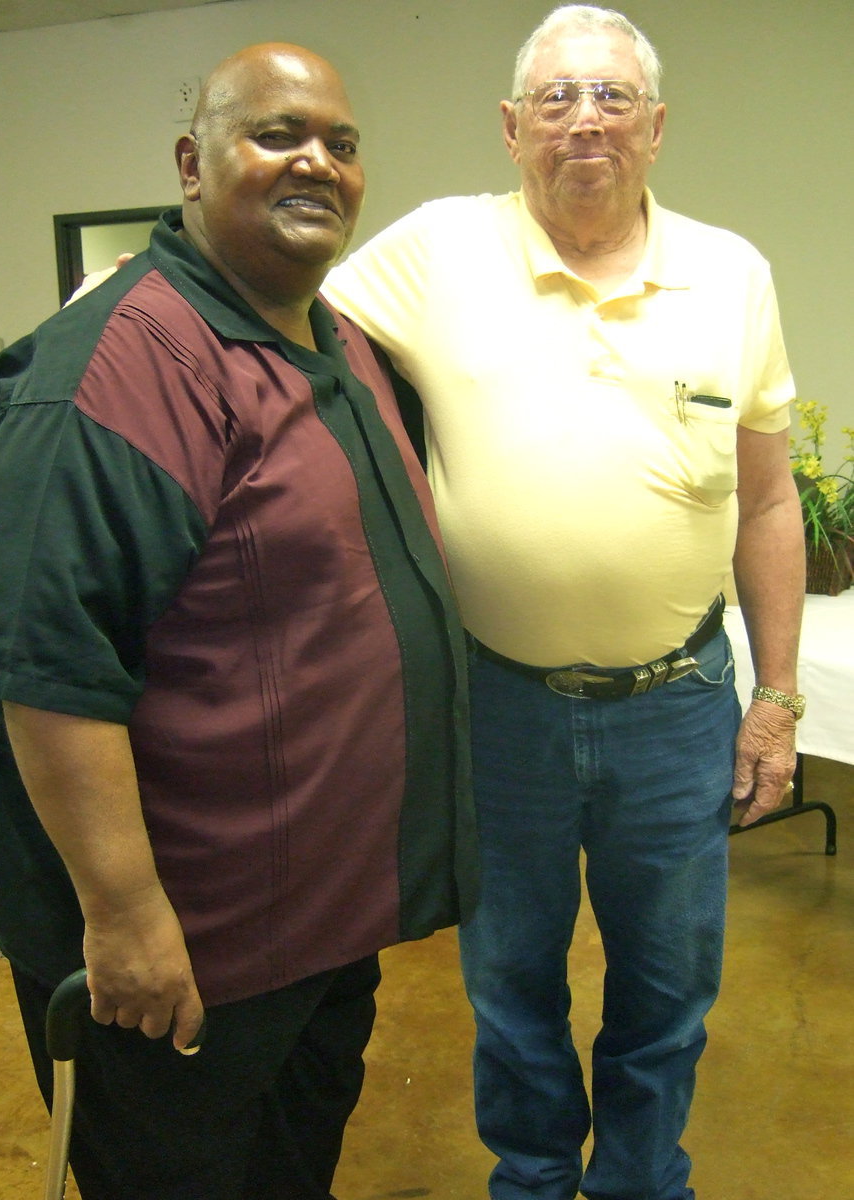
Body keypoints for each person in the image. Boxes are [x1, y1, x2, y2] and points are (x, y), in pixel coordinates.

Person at [0, 43, 477, 1200]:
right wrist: (127, 919)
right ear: (193, 163)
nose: (318, 162)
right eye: (277, 133)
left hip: (318, 928)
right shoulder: (112, 375)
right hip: (188, 959)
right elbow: (45, 669)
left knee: (290, 1172)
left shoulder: (334, 344)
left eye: (340, 143)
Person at [323, 6, 805, 1198]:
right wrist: (151, 289)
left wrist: (779, 700)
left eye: (610, 97)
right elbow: (279, 316)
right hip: (502, 708)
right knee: (511, 987)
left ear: (654, 126)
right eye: (555, 98)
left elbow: (768, 505)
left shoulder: (731, 271)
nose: (583, 118)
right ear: (509, 127)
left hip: (680, 703)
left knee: (669, 990)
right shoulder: (436, 249)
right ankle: (532, 1180)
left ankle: (641, 1183)